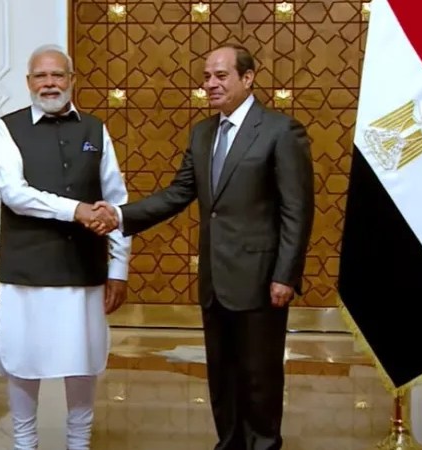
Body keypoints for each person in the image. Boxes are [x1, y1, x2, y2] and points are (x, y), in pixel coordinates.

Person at [92, 44, 314, 450]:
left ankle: (264, 446)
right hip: (215, 279)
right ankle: (228, 444)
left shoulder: (281, 131)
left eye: (221, 76)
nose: (210, 84)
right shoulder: (203, 133)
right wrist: (120, 216)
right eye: (207, 77)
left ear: (248, 78)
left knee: (260, 377)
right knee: (222, 377)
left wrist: (286, 275)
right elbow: (178, 193)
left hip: (261, 280)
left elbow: (297, 211)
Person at [0, 44, 131, 450]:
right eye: (41, 76)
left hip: (82, 269)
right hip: (27, 269)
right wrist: (76, 210)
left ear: (71, 80)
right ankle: (24, 443)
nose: (49, 83)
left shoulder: (95, 130)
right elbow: (14, 194)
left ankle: (79, 443)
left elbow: (116, 202)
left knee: (83, 360)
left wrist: (119, 268)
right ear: (29, 82)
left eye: (58, 75)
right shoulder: (7, 128)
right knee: (23, 360)